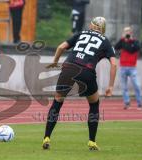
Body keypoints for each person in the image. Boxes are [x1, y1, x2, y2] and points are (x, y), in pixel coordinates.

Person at [42, 17, 117, 150]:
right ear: (103, 29)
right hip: (87, 71)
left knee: (57, 101)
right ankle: (92, 141)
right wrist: (110, 87)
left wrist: (55, 61)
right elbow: (114, 64)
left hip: (69, 68)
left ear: (91, 25)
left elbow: (61, 47)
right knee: (94, 104)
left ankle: (47, 137)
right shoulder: (105, 41)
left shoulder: (81, 33)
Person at [115, 27, 142, 110]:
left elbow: (132, 49)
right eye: (126, 32)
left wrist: (130, 40)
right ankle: (127, 103)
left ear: (131, 33)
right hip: (123, 67)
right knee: (124, 87)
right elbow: (116, 47)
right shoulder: (122, 41)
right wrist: (122, 39)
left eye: (128, 32)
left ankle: (139, 103)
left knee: (137, 86)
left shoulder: (135, 42)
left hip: (132, 68)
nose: (127, 33)